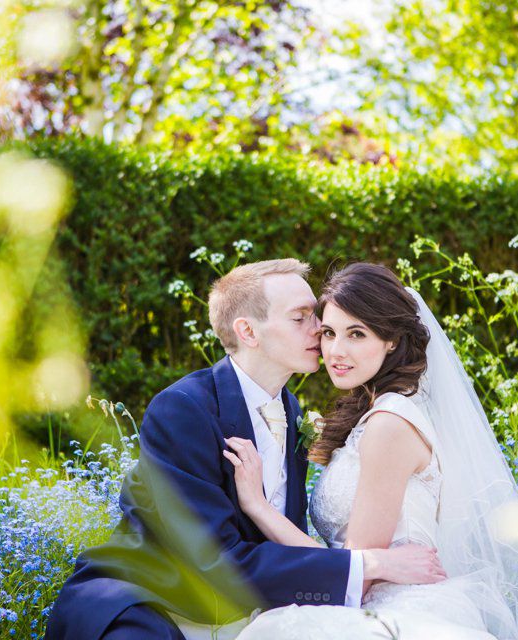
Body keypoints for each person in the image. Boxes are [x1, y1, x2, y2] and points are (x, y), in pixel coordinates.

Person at [45, 259, 445, 640]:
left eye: (316, 315)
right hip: (152, 603)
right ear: (248, 332)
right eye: (300, 317)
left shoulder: (291, 411)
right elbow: (213, 558)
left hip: (250, 610)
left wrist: (263, 510)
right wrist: (369, 564)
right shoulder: (183, 409)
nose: (319, 328)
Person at [227, 263, 518, 640]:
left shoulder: (389, 425)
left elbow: (356, 575)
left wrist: (258, 507)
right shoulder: (383, 413)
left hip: (394, 611)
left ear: (391, 340)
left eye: (357, 334)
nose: (336, 351)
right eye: (329, 333)